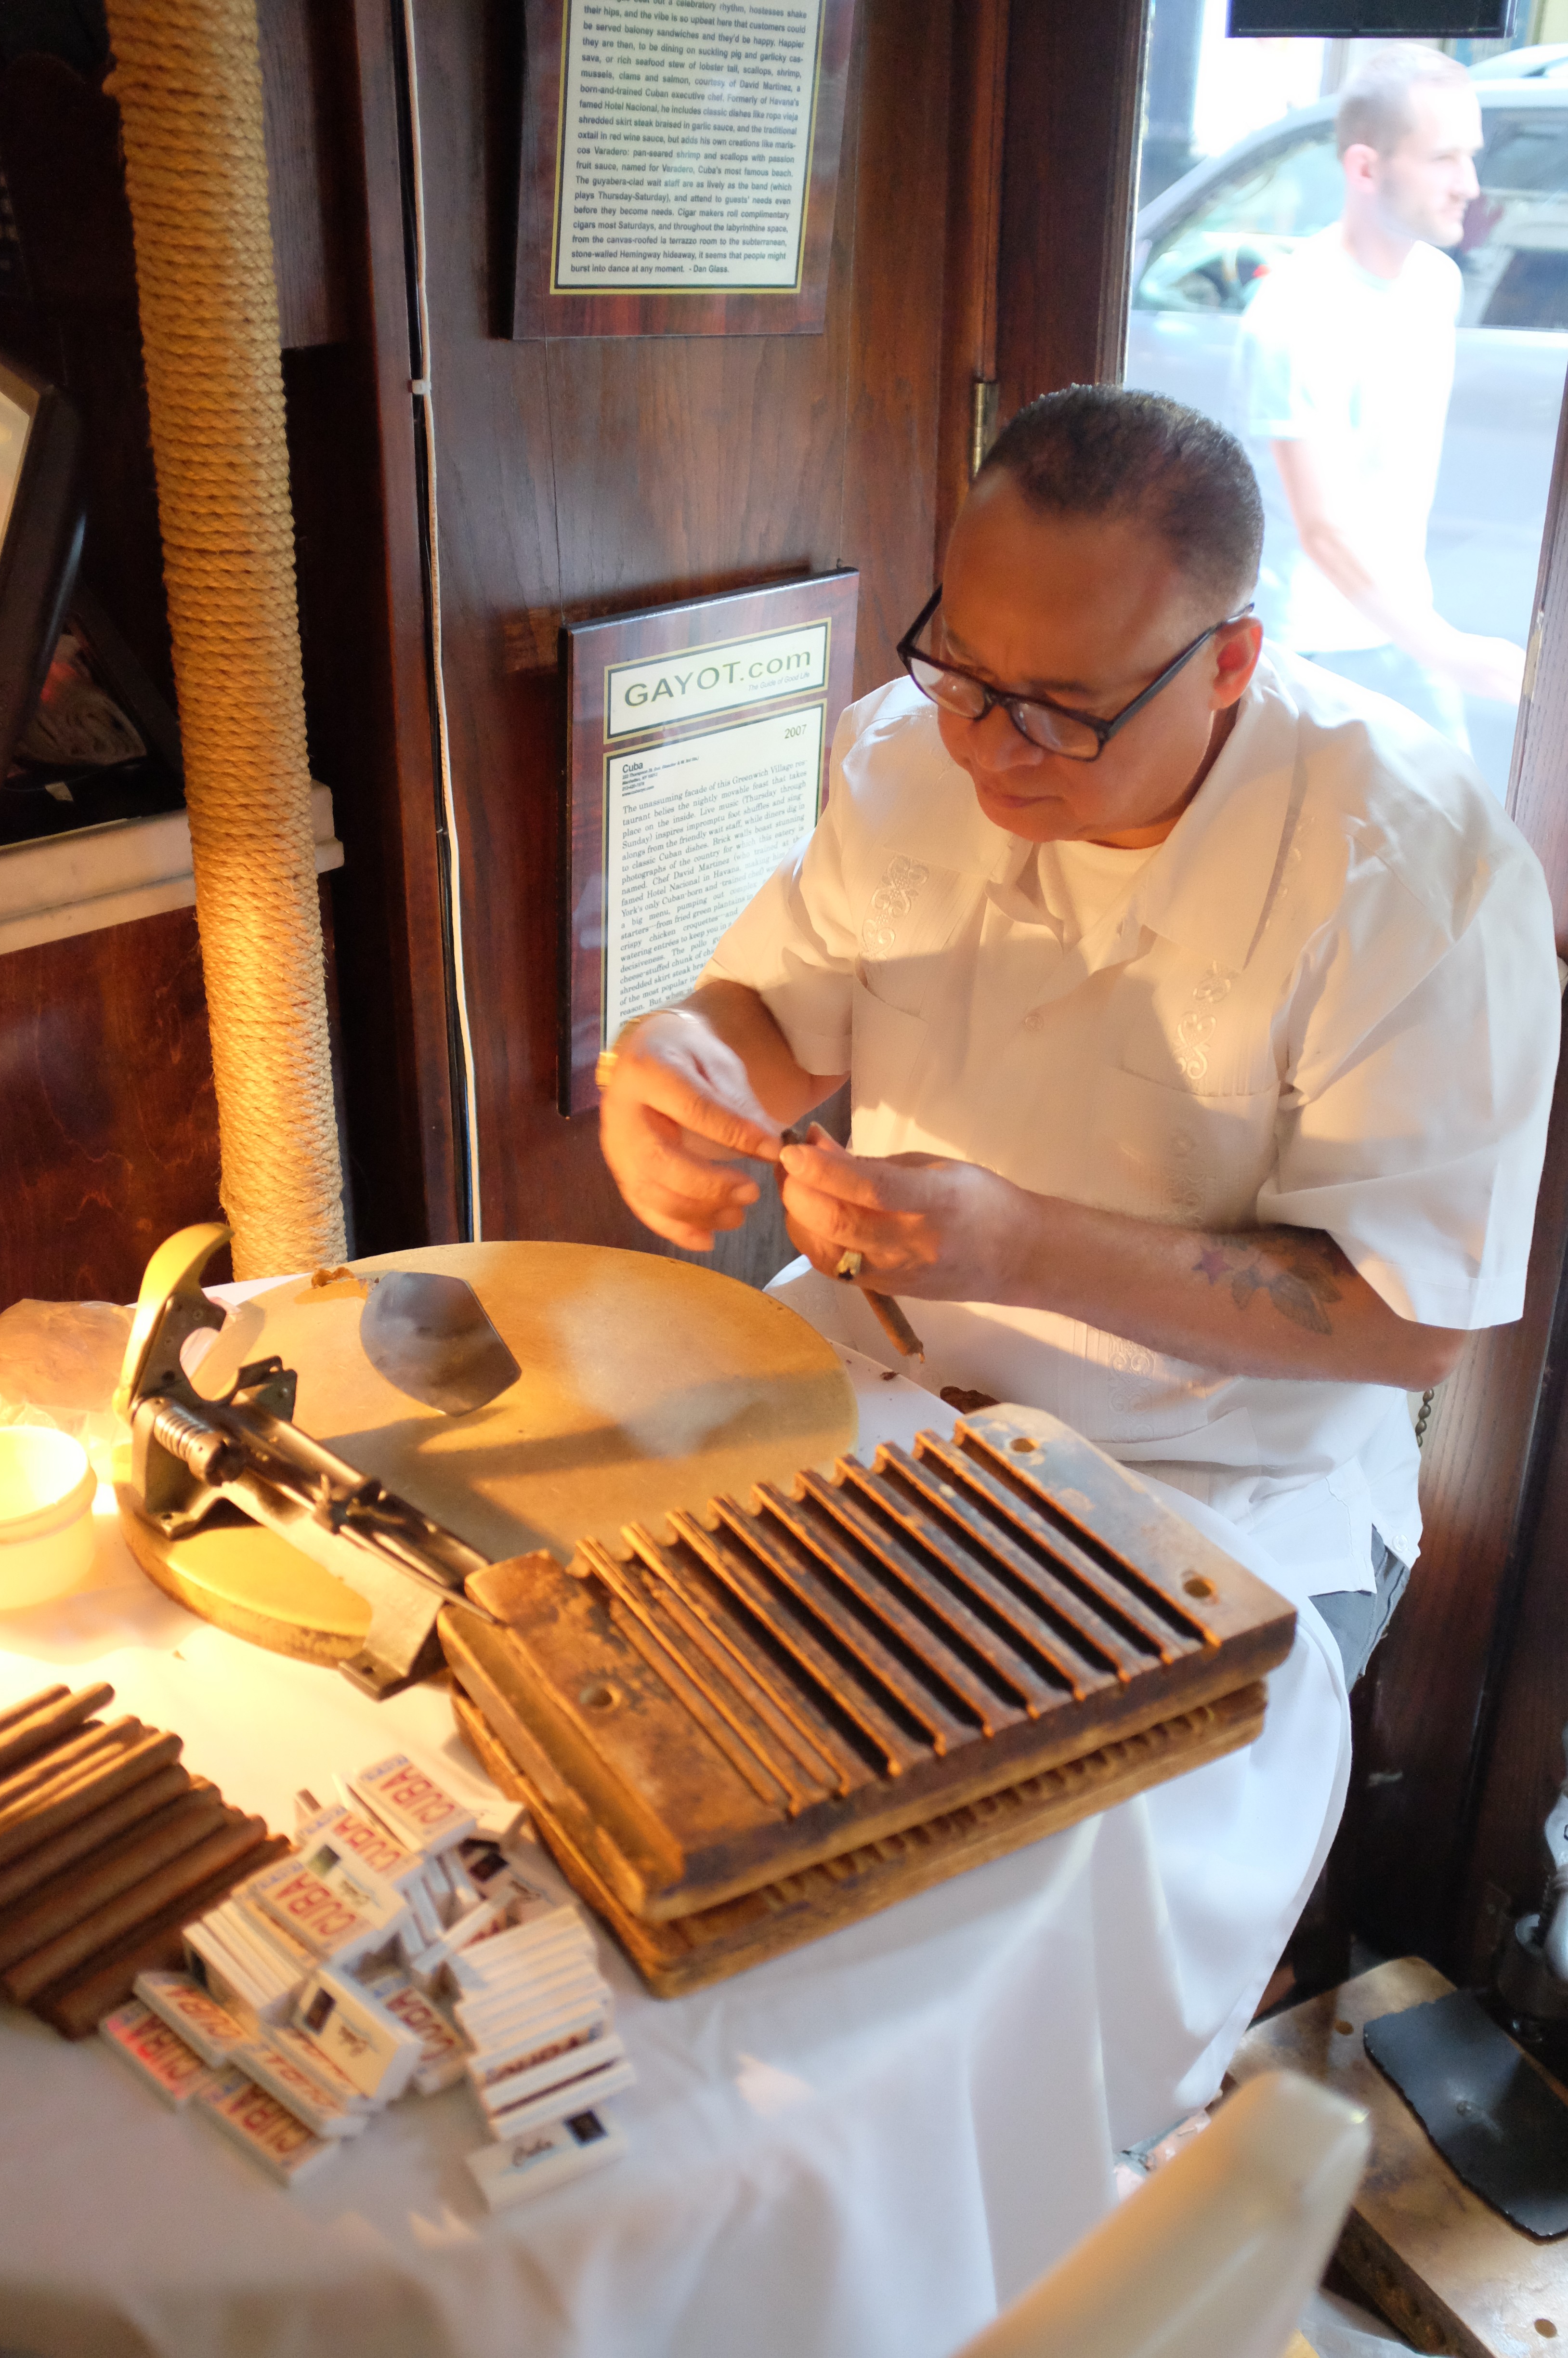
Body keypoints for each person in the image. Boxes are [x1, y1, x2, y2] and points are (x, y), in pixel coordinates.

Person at [594, 385, 1558, 2108]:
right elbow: (779, 1020)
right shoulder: (911, 751)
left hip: (1217, 1478)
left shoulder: (1410, 869)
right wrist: (679, 1060)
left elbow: (1407, 1322)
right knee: (627, 1706)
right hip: (881, 1375)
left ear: (1230, 660)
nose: (991, 749)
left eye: (1063, 710)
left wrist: (1018, 1242)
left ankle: (1057, 2178)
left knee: (995, 1932)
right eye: (963, 671)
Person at [1233, 45, 1524, 753]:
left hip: (1400, 627)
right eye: (1444, 159)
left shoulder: (1436, 283)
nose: (1469, 185)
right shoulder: (1295, 314)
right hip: (1311, 652)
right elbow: (1323, 532)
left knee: (1459, 815)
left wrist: (1428, 641)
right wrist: (1451, 652)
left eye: (1471, 156)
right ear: (1365, 168)